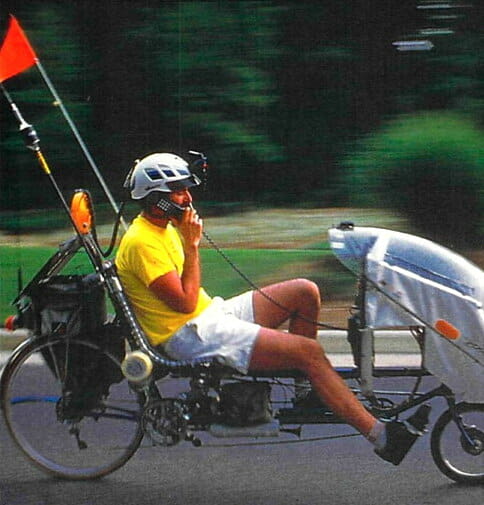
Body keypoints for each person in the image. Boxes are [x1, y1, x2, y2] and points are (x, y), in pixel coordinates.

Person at [115, 152, 428, 465]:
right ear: (158, 199)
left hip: (207, 315)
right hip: (188, 335)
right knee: (309, 352)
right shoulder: (142, 242)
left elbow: (188, 295)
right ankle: (382, 437)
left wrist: (186, 239)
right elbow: (183, 301)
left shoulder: (164, 226)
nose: (188, 197)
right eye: (180, 191)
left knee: (304, 291)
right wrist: (192, 245)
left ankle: (308, 394)